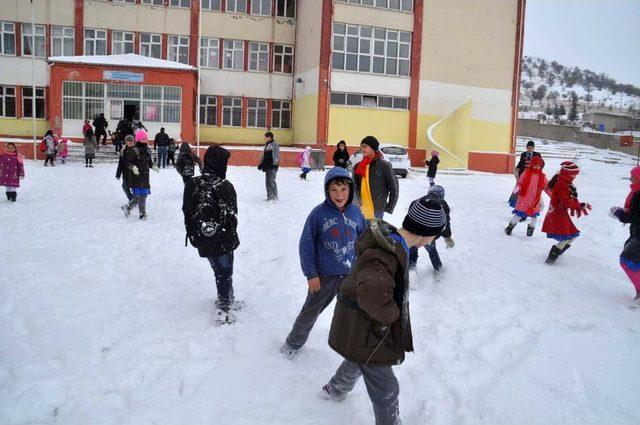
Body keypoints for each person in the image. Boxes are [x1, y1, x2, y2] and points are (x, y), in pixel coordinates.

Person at [321, 198, 447, 425]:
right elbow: (372, 294)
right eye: (436, 235)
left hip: (361, 325)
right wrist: (393, 316)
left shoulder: (395, 243)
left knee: (360, 358)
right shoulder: (385, 253)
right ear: (427, 233)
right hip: (366, 327)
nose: (434, 239)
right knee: (386, 387)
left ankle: (336, 389)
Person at [280, 166, 367, 358]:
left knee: (352, 312)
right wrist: (311, 274)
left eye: (344, 189)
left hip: (350, 275)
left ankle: (349, 343)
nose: (339, 194)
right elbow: (306, 245)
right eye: (334, 190)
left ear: (350, 190)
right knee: (310, 311)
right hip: (324, 277)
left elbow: (364, 240)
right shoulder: (318, 214)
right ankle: (293, 343)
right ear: (327, 191)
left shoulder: (357, 214)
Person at [182, 144, 242, 325]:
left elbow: (186, 210)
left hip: (202, 237)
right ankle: (223, 305)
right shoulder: (225, 185)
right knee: (225, 271)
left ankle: (228, 297)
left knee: (218, 269)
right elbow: (233, 215)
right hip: (223, 239)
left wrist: (195, 233)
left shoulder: (193, 183)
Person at [541, 161, 591, 264]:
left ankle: (557, 252)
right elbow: (566, 202)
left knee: (573, 235)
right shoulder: (562, 183)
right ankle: (552, 257)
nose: (575, 176)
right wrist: (580, 205)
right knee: (568, 236)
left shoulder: (565, 182)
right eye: (574, 174)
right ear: (568, 173)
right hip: (557, 213)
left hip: (559, 212)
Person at [408, 185, 454, 283]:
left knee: (412, 251)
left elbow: (410, 215)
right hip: (429, 235)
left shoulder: (418, 201)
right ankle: (438, 270)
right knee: (432, 251)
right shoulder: (442, 205)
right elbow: (445, 223)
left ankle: (411, 271)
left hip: (413, 233)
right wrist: (447, 237)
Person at [610, 166, 640, 307]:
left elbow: (636, 217)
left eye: (633, 176)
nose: (630, 178)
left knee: (627, 260)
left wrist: (620, 214)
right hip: (636, 232)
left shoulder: (639, 194)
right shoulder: (636, 192)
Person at [353, 136, 398, 220]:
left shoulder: (384, 166)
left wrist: (389, 207)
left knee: (375, 232)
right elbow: (354, 186)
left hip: (377, 210)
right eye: (361, 147)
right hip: (361, 209)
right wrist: (357, 203)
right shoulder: (357, 166)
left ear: (373, 148)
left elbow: (394, 187)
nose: (362, 149)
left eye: (365, 146)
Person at [505, 156, 549, 237]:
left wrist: (553, 195)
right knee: (519, 215)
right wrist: (517, 188)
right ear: (532, 165)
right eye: (535, 165)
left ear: (541, 166)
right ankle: (509, 227)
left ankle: (530, 231)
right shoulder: (526, 173)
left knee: (534, 218)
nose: (537, 167)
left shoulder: (542, 176)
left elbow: (547, 187)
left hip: (535, 201)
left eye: (538, 165)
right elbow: (520, 183)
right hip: (524, 199)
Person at [121, 130, 157, 220]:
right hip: (136, 176)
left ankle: (128, 207)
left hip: (145, 176)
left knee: (142, 195)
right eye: (143, 139)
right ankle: (142, 214)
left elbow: (149, 161)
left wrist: (153, 166)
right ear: (138, 139)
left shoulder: (147, 150)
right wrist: (132, 167)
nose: (145, 140)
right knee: (142, 196)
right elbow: (127, 162)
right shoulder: (134, 150)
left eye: (145, 138)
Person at [258, 132, 280, 201]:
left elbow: (276, 155)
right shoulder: (267, 145)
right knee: (267, 182)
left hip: (272, 166)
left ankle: (274, 197)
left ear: (269, 137)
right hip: (267, 166)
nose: (264, 139)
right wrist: (261, 164)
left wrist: (274, 165)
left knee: (271, 181)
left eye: (265, 137)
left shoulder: (274, 145)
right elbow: (264, 156)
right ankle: (270, 196)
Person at [115, 135, 136, 202]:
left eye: (131, 141)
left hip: (134, 173)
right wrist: (118, 174)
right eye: (128, 141)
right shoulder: (123, 151)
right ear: (126, 142)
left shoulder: (136, 150)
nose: (130, 142)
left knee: (134, 188)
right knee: (124, 186)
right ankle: (131, 199)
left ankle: (134, 200)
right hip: (126, 172)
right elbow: (120, 164)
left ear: (134, 142)